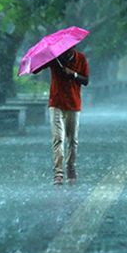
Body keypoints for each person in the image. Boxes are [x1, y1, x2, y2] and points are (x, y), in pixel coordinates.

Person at [35, 47, 89, 185]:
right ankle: (58, 173)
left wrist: (73, 74)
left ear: (74, 47)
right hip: (56, 102)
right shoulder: (55, 58)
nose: (66, 51)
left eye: (68, 49)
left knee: (72, 140)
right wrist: (44, 58)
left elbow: (86, 80)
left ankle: (70, 167)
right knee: (58, 138)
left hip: (73, 104)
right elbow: (36, 70)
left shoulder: (81, 58)